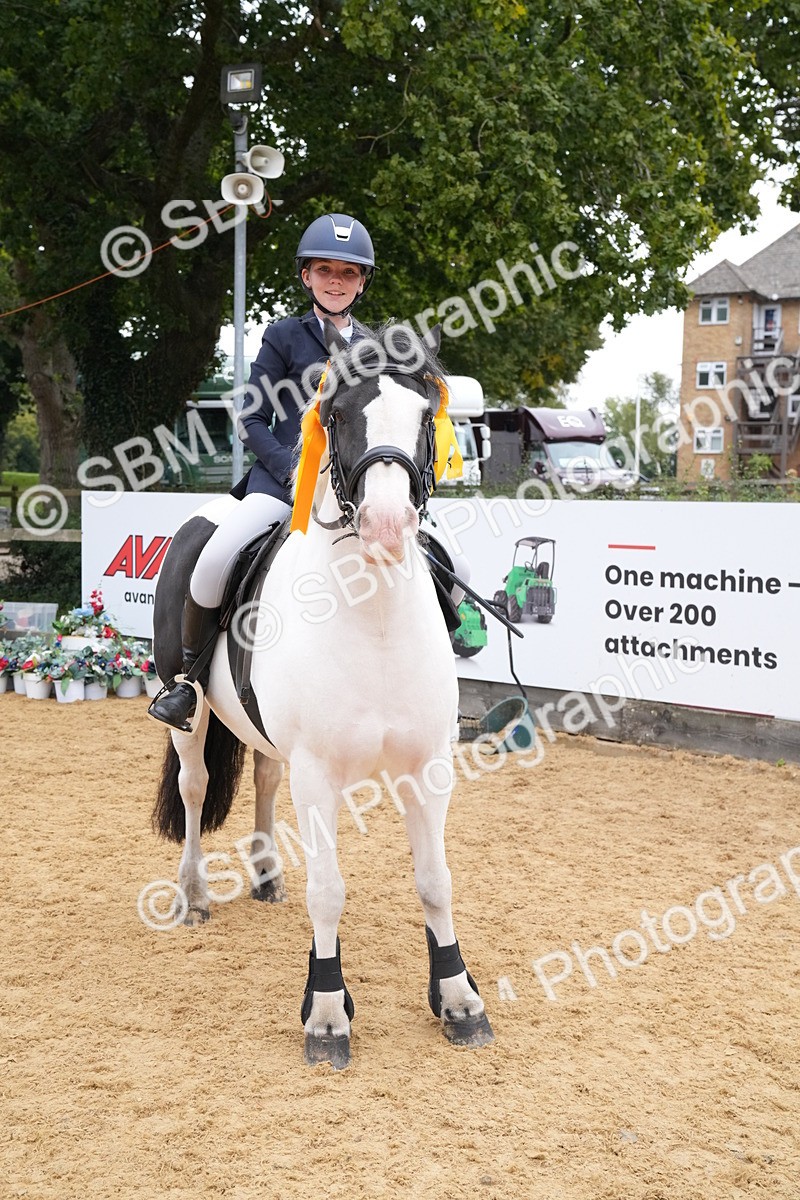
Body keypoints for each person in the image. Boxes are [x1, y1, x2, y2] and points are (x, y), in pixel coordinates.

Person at [149, 212, 465, 732]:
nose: (335, 282)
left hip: (355, 491)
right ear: (306, 276)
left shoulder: (381, 347)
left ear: (362, 282)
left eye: (348, 273)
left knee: (458, 570)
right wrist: (295, 473)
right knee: (213, 563)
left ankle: (429, 679)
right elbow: (250, 417)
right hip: (283, 488)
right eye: (325, 270)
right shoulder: (283, 337)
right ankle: (189, 679)